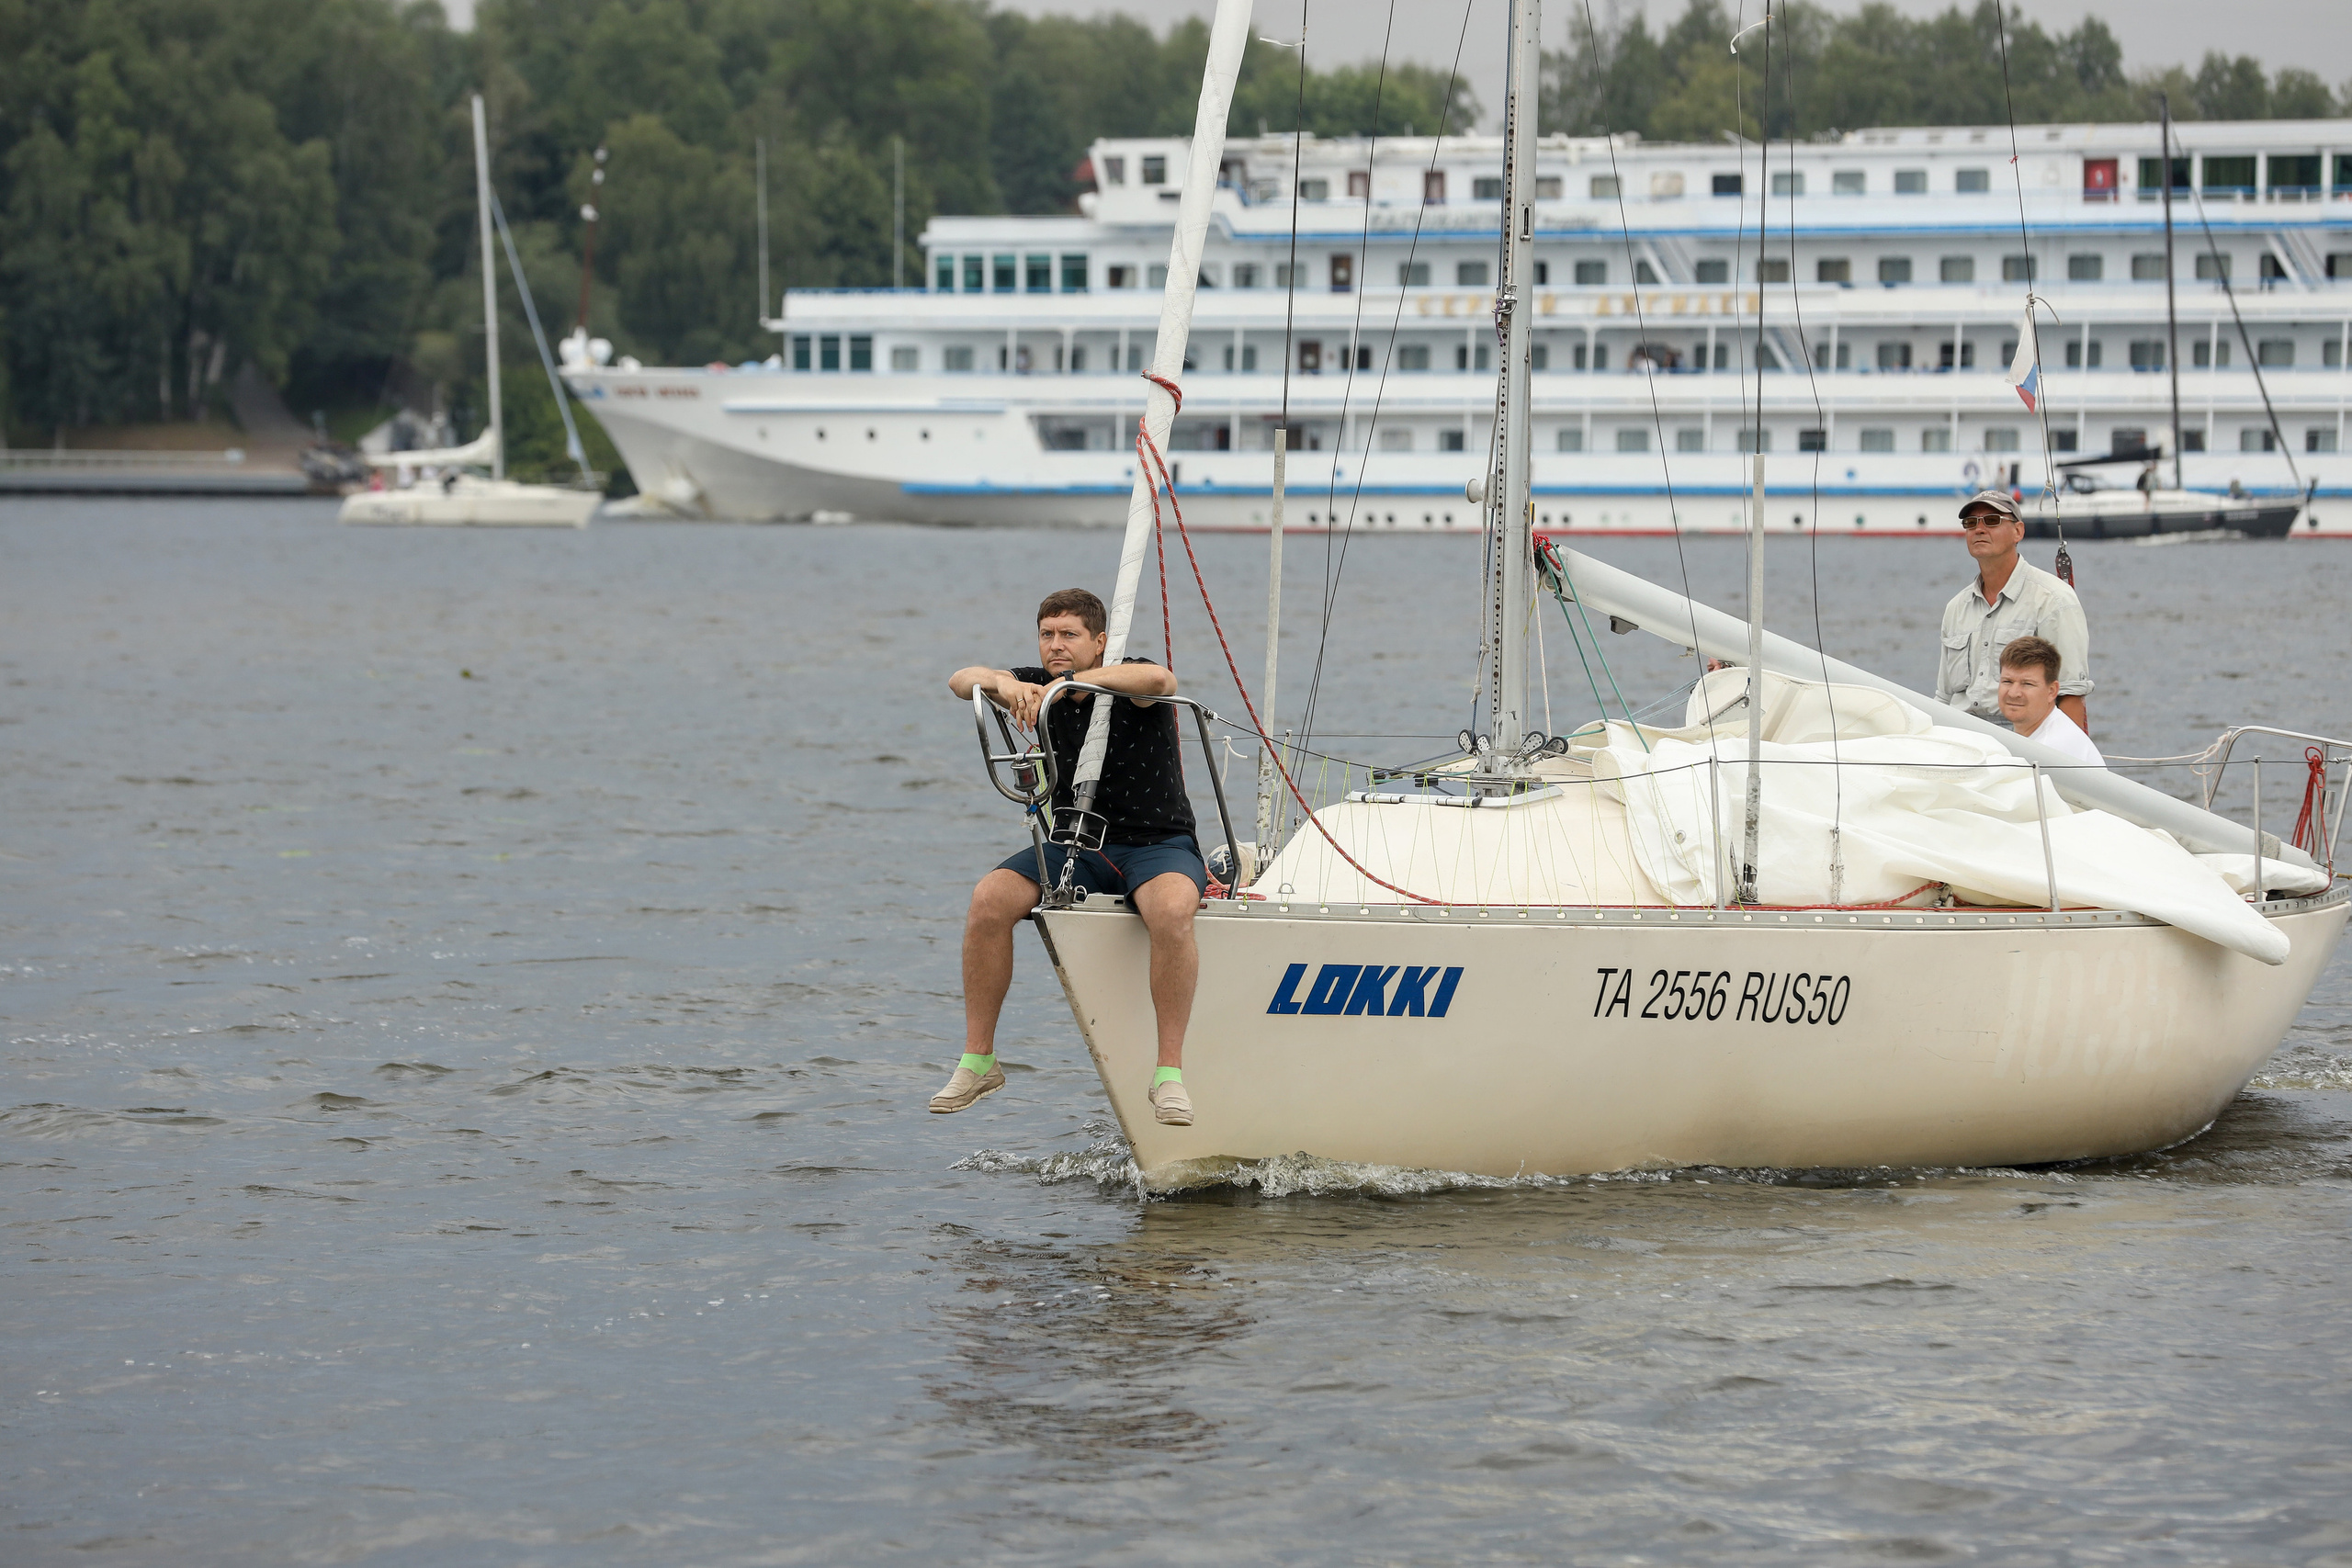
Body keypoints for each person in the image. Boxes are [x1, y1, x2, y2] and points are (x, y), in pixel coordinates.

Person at [932, 588, 1205, 1127]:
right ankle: (979, 1060)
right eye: (1047, 635)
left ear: (1100, 642)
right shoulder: (1035, 684)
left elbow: (1161, 683)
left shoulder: (1129, 675)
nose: (1055, 645)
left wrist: (1071, 685)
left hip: (1158, 843)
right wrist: (1012, 688)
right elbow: (961, 680)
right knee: (989, 900)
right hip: (1077, 845)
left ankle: (1169, 1075)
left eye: (1069, 636)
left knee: (1171, 912)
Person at [1935, 489, 2093, 735]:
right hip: (1960, 736)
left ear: (2018, 531)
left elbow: (2070, 694)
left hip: (2021, 738)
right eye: (1970, 523)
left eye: (1992, 520)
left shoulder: (2054, 600)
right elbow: (1944, 698)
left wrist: (2065, 767)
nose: (1979, 529)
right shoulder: (1956, 608)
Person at [1997, 636, 2104, 766]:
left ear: (2052, 691)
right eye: (2007, 681)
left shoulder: (2054, 748)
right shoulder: (2035, 736)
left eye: (2027, 684)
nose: (2013, 693)